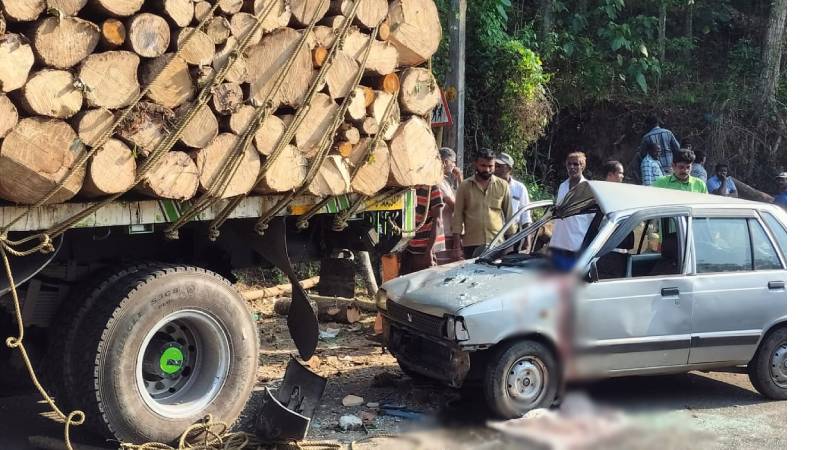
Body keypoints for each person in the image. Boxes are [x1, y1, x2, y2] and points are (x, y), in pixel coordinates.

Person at [452, 149, 515, 259]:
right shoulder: (464, 186)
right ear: (475, 164)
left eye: (490, 166)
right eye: (483, 165)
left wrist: (510, 246)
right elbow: (457, 217)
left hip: (497, 243)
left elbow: (509, 217)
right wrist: (457, 247)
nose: (487, 169)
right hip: (471, 244)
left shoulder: (503, 186)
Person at [549, 152, 595, 270]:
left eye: (576, 164)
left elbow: (592, 219)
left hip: (576, 245)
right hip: (558, 243)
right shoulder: (562, 186)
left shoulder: (589, 188)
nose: (572, 167)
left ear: (582, 166)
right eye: (569, 164)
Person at [400, 184, 445, 275]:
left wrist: (429, 251)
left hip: (426, 250)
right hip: (410, 248)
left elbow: (438, 221)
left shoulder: (432, 188)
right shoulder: (407, 187)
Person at [494, 152, 533, 228]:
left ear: (509, 169)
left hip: (512, 232)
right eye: (495, 166)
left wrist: (527, 238)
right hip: (493, 232)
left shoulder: (519, 188)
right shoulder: (489, 186)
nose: (496, 169)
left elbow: (525, 216)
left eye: (500, 166)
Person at [437, 148, 459, 263]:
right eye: (453, 162)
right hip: (443, 234)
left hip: (448, 232)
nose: (454, 165)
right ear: (445, 162)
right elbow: (456, 207)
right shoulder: (439, 182)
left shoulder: (445, 182)